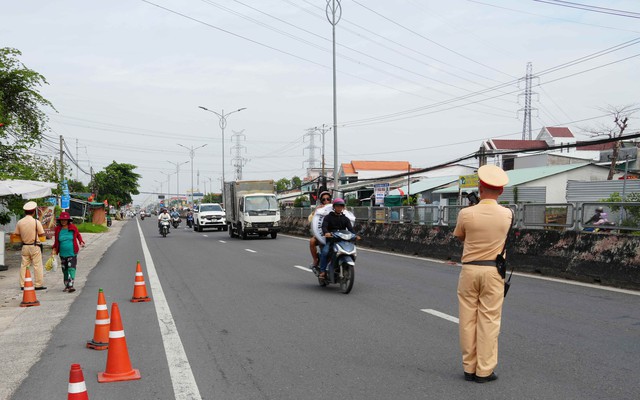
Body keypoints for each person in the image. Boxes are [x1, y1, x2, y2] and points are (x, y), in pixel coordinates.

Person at [453, 164, 512, 384]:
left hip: (469, 269)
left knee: (468, 319)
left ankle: (469, 368)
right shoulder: (507, 214)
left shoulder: (466, 213)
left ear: (479, 187)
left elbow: (460, 236)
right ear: (501, 191)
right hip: (493, 271)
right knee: (489, 320)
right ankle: (484, 371)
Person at [318, 198, 356, 280]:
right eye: (337, 206)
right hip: (332, 240)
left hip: (342, 240)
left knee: (351, 251)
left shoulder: (345, 219)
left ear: (343, 207)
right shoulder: (328, 217)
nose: (339, 208)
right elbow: (324, 227)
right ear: (334, 207)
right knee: (325, 252)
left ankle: (345, 266)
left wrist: (355, 235)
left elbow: (350, 229)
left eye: (341, 206)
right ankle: (322, 271)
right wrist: (326, 233)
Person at [13, 201, 47, 290]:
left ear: (25, 212)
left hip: (25, 246)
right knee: (37, 265)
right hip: (35, 246)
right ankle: (38, 284)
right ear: (34, 211)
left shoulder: (20, 222)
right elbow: (42, 234)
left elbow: (16, 234)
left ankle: (23, 284)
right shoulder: (36, 222)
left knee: (24, 265)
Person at [52, 212, 85, 292]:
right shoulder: (58, 229)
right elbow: (56, 240)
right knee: (65, 269)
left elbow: (78, 235)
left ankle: (71, 285)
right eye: (62, 220)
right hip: (62, 253)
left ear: (68, 220)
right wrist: (54, 249)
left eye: (65, 220)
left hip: (72, 252)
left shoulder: (73, 227)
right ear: (60, 221)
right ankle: (66, 285)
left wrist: (81, 242)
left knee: (71, 268)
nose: (63, 221)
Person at [308, 191, 332, 267]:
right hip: (321, 234)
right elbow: (311, 219)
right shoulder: (318, 210)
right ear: (321, 201)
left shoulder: (336, 207)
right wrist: (316, 212)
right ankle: (315, 260)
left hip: (334, 233)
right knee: (312, 241)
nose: (326, 201)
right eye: (324, 199)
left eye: (328, 199)